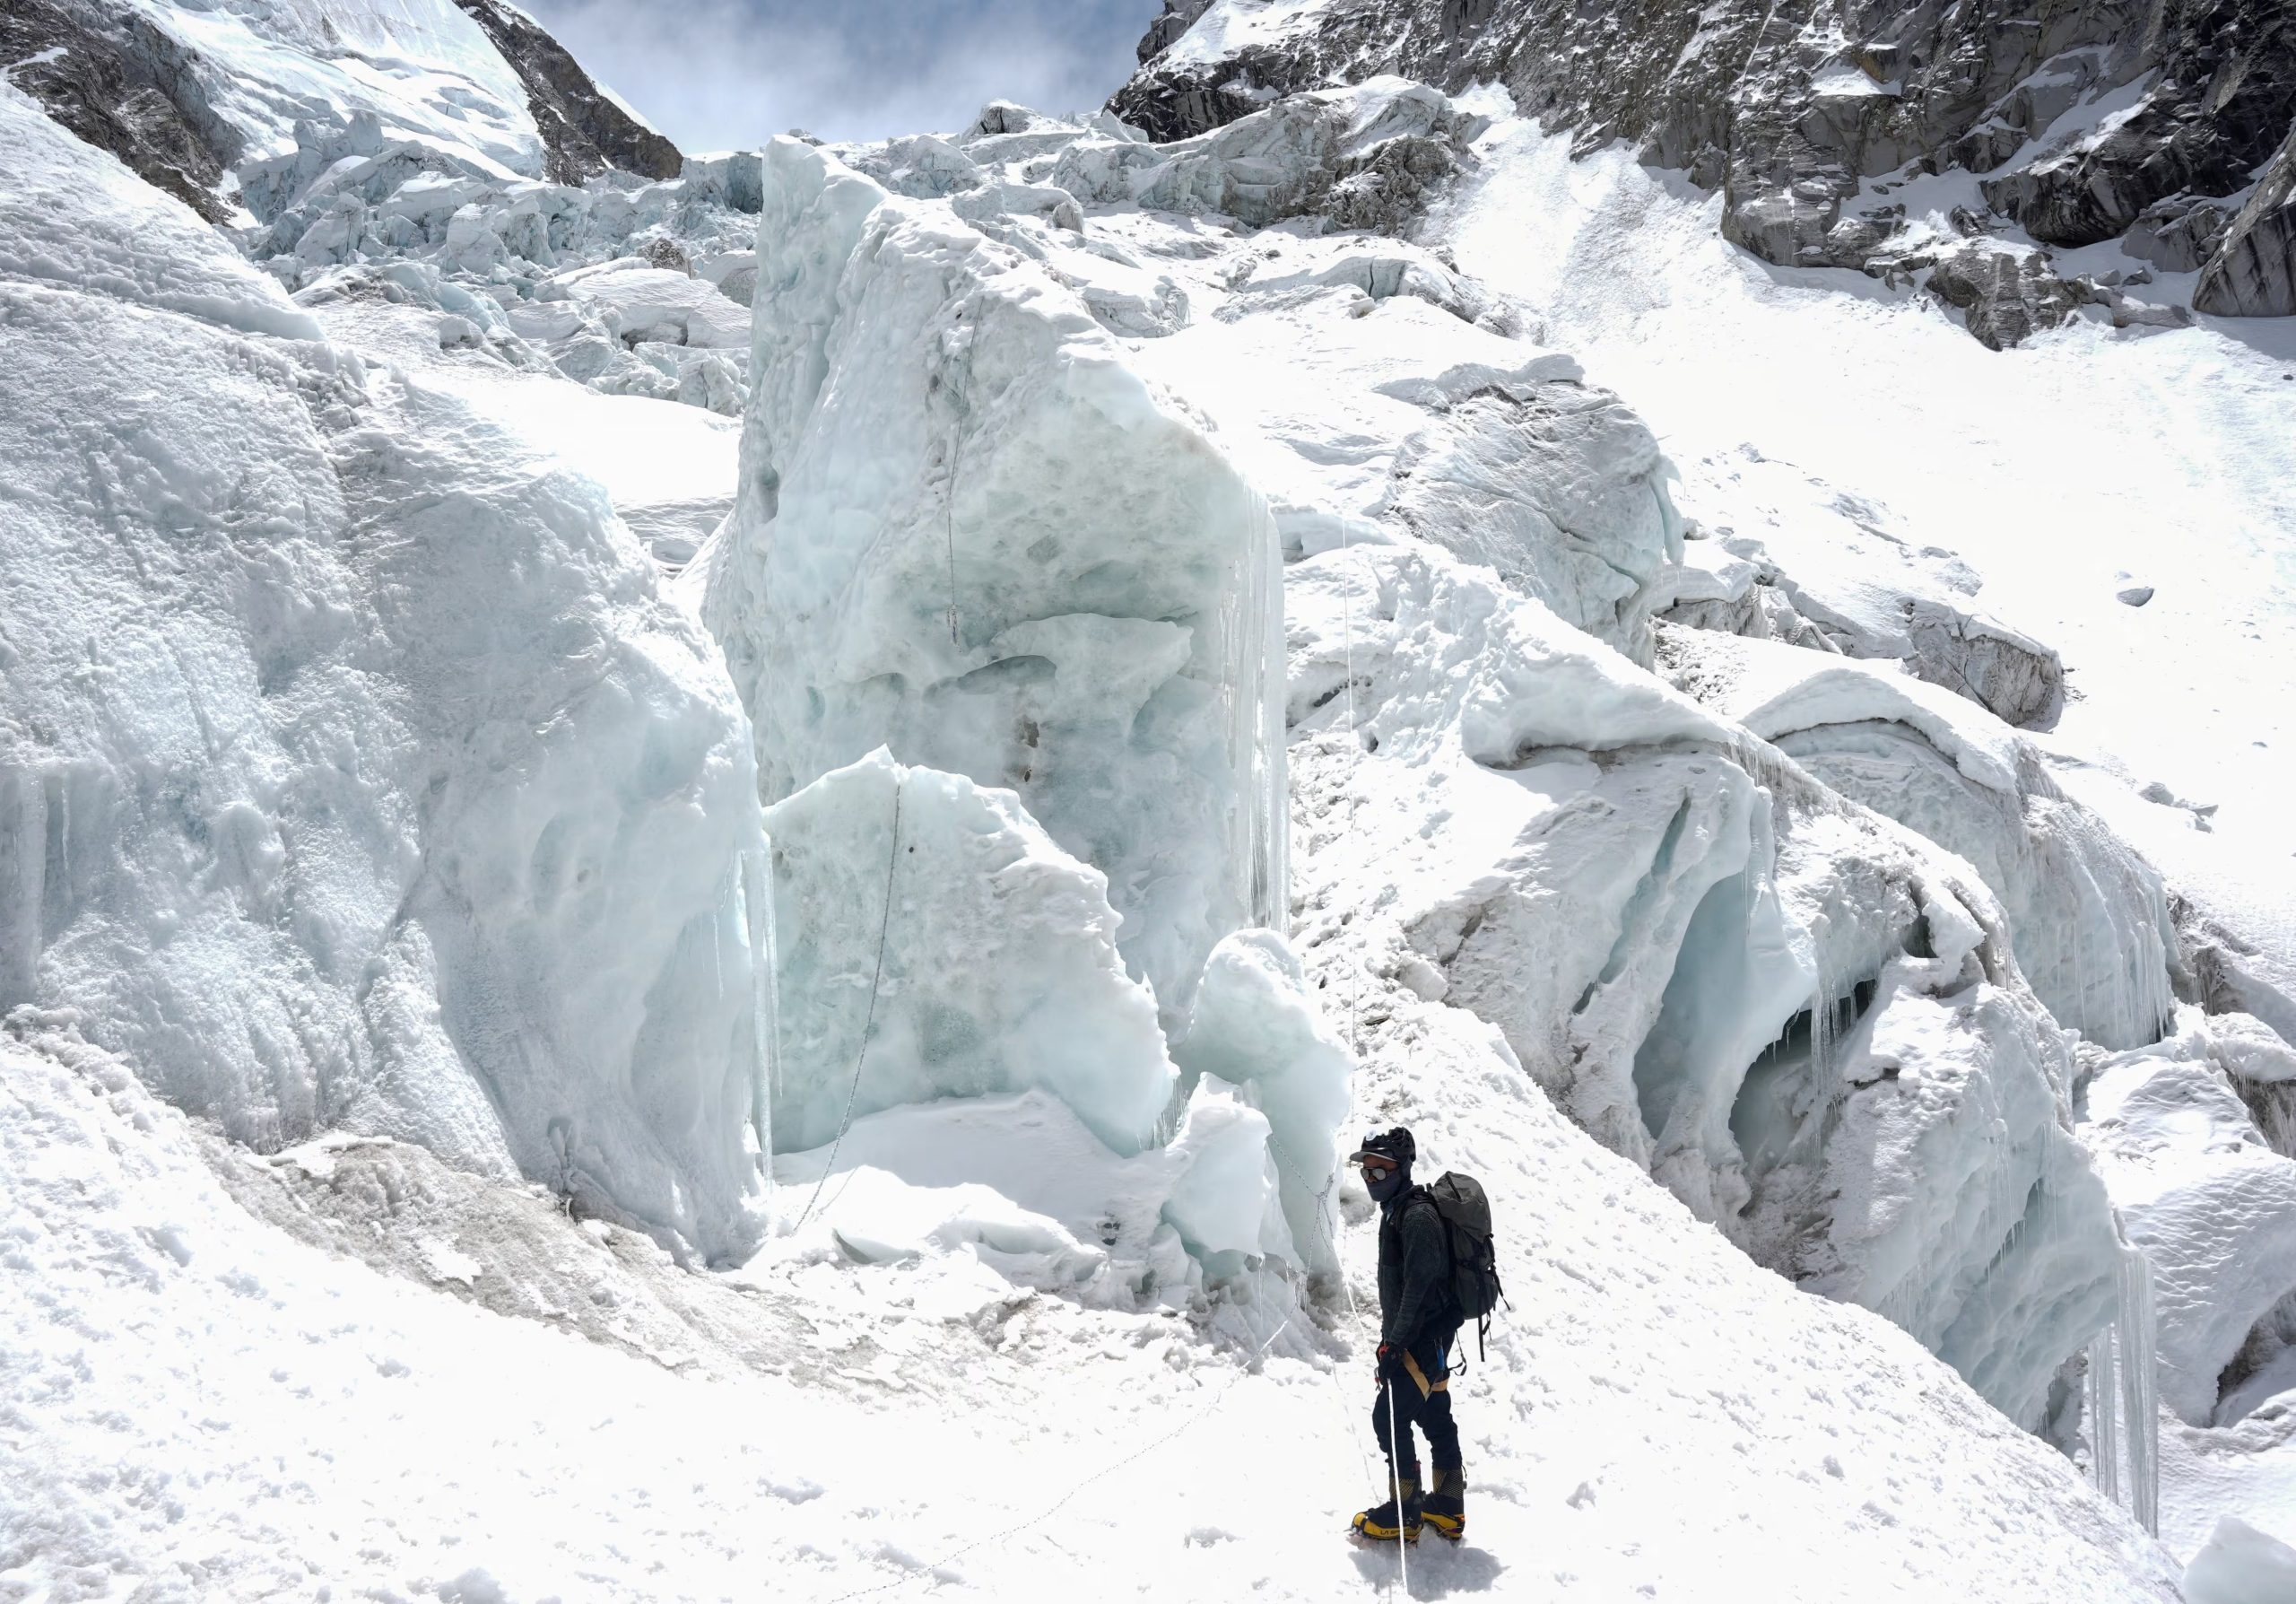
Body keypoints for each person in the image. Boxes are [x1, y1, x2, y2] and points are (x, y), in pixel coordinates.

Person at [1349, 1126, 1466, 1544]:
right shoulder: (1400, 1210)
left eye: (1380, 1171)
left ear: (1403, 1168)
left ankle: (1406, 1512)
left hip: (1419, 1337)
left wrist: (1394, 1344)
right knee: (1435, 1417)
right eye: (1367, 1172)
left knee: (1390, 1419)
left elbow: (1417, 1287)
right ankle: (1448, 1508)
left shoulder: (1416, 1216)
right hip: (1428, 1336)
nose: (1371, 1180)